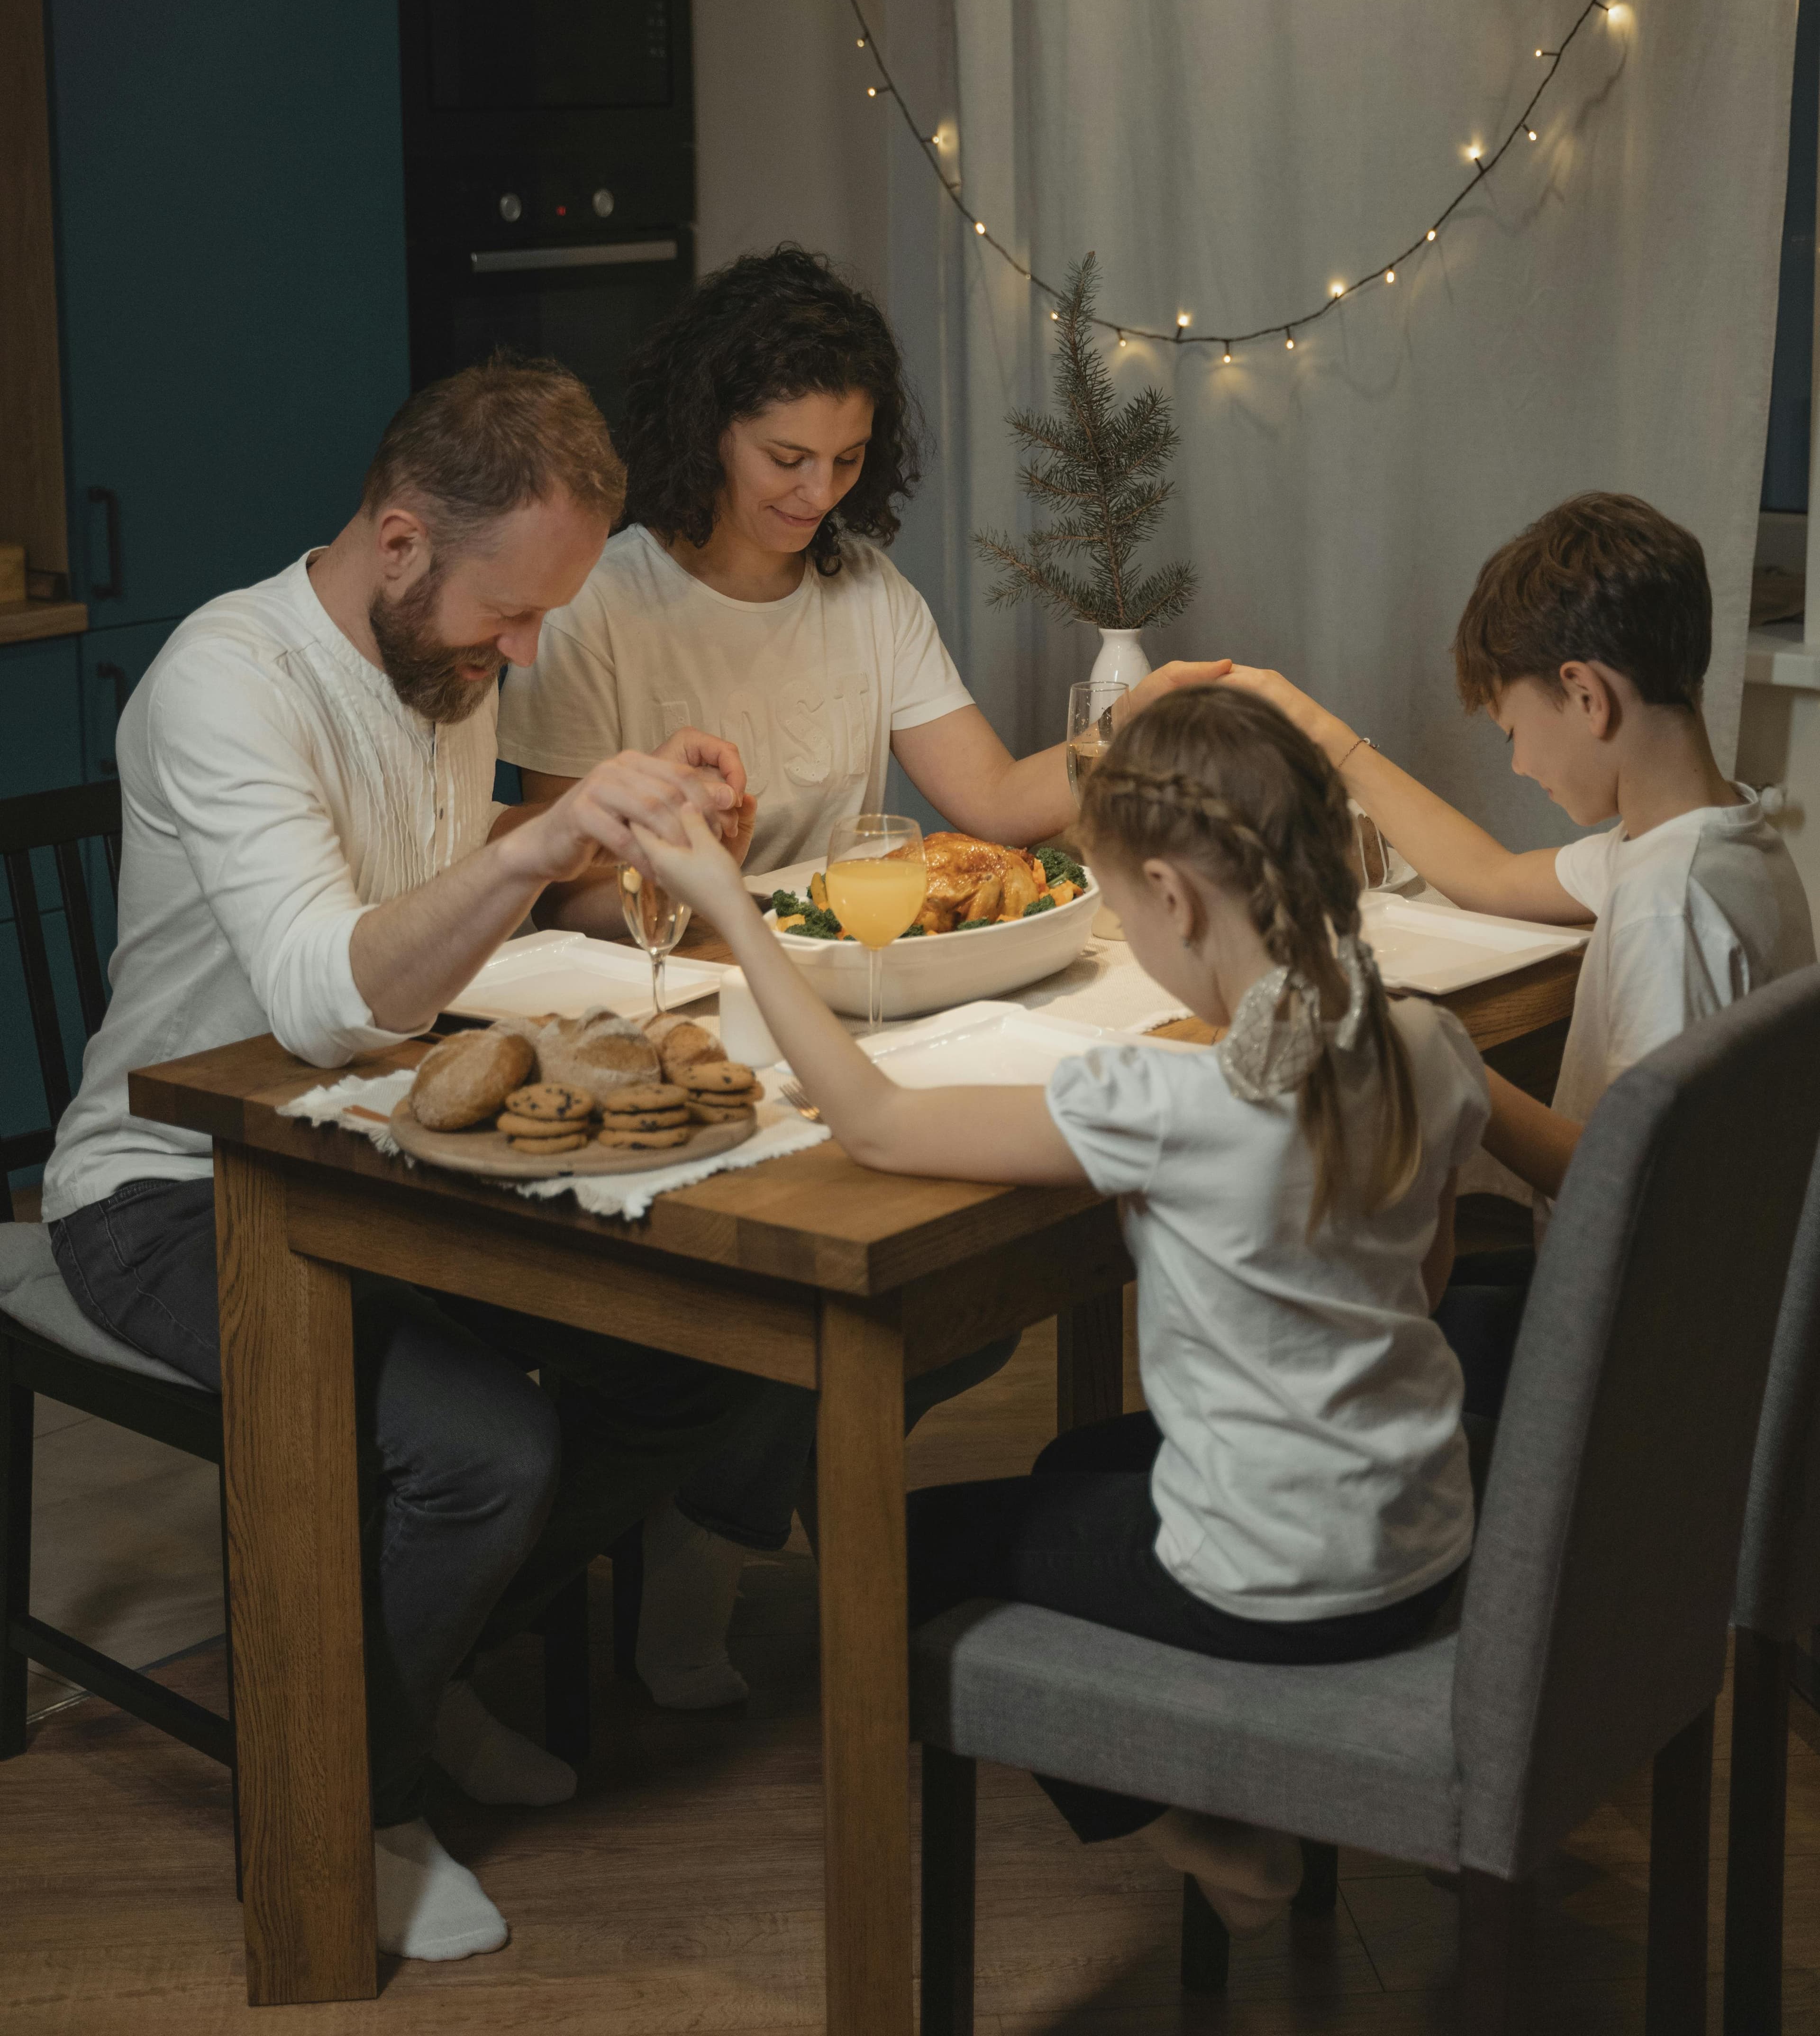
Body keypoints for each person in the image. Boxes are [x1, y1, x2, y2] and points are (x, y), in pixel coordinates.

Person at [39, 357, 769, 1965]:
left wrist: (636, 844)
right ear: (397, 543)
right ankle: (347, 1796)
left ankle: (406, 1679)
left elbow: (446, 912)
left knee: (699, 1364)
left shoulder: (443, 656)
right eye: (511, 615)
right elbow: (325, 996)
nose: (527, 652)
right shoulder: (227, 679)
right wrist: (540, 837)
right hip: (170, 1183)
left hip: (381, 1154)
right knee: (485, 1451)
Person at [627, 684, 1490, 1932]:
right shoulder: (1426, 1042)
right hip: (1423, 1531)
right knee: (1073, 1465)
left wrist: (730, 905)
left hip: (1276, 1584)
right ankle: (1216, 1767)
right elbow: (1426, 1283)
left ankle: (1198, 1826)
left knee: (902, 1548)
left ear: (1174, 897)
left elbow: (875, 1125)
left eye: (1124, 910)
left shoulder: (1178, 1102)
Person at [497, 246, 1230, 1708]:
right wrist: (681, 860)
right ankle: (699, 1540)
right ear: (708, 426)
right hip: (680, 1008)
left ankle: (712, 1510)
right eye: (787, 457)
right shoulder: (606, 601)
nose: (817, 492)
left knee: (970, 1293)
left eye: (846, 459)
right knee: (838, 1299)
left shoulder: (863, 589)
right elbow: (554, 885)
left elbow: (988, 800)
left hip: (850, 1006)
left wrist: (1122, 737)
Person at [1218, 492, 1815, 1411]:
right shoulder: (1717, 840)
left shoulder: (1667, 907)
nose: (1519, 765)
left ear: (1587, 696)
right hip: (1686, 1329)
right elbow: (1488, 877)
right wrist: (1320, 731)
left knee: (1305, 1344)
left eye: (1513, 732)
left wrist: (1448, 1062)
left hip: (1627, 1369)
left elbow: (1628, 1178)